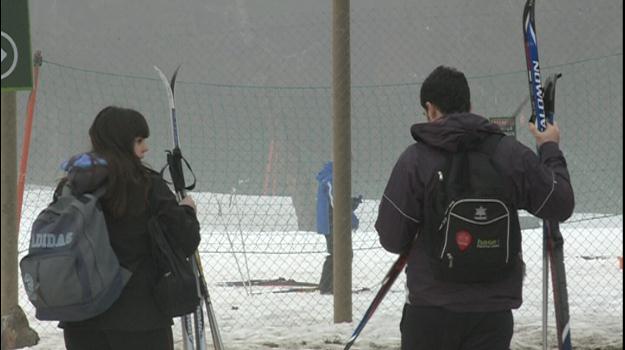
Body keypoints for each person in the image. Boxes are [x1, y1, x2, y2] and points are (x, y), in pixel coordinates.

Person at [375, 66, 574, 350]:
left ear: (430, 110)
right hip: (491, 315)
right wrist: (549, 148)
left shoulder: (415, 161)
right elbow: (560, 203)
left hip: (430, 312)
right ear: (470, 105)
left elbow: (392, 238)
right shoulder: (509, 155)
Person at [57, 106, 201, 350]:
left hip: (81, 318)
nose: (146, 148)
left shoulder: (71, 185)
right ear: (122, 141)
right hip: (140, 317)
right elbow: (185, 240)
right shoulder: (147, 185)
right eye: (139, 140)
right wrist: (187, 210)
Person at [315, 161, 362, 294]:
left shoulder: (330, 176)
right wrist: (350, 212)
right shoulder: (332, 178)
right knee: (340, 254)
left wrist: (350, 202)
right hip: (333, 223)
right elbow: (336, 201)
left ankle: (328, 285)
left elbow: (336, 199)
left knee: (337, 254)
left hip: (331, 222)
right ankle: (331, 286)